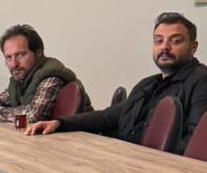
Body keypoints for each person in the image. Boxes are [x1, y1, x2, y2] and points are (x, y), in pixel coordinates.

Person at [27, 12, 206, 153]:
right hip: (121, 157)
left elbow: (193, 142)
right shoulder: (148, 84)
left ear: (193, 47)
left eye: (175, 41)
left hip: (152, 171)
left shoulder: (201, 81)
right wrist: (59, 123)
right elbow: (107, 117)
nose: (165, 47)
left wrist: (147, 161)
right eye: (158, 41)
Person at [0, 26, 82, 127]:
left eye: (20, 55)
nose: (14, 64)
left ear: (38, 53)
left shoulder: (51, 75)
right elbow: (0, 100)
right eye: (8, 57)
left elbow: (34, 115)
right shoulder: (21, 79)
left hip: (78, 137)